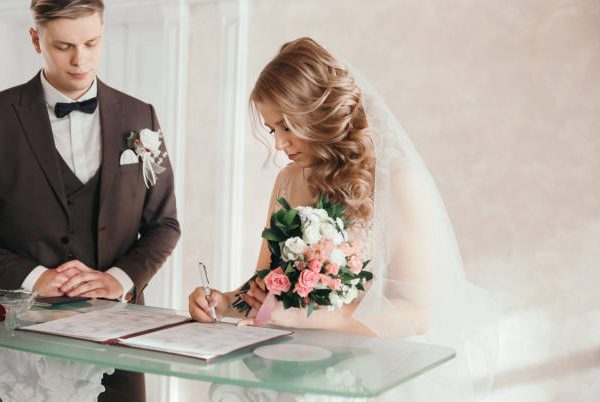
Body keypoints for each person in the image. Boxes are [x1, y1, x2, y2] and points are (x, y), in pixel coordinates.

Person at [189, 37, 496, 401]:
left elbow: (417, 312)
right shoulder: (288, 180)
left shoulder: (397, 183)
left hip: (367, 376)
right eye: (273, 130)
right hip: (291, 365)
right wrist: (223, 302)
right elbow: (264, 287)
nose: (279, 143)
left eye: (287, 126)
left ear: (318, 112)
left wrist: (309, 319)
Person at [0, 1, 180, 401]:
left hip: (121, 340)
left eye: (92, 43)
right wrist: (35, 279)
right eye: (63, 46)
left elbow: (164, 224)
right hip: (22, 348)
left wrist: (118, 280)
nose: (80, 60)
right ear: (35, 39)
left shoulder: (140, 116)